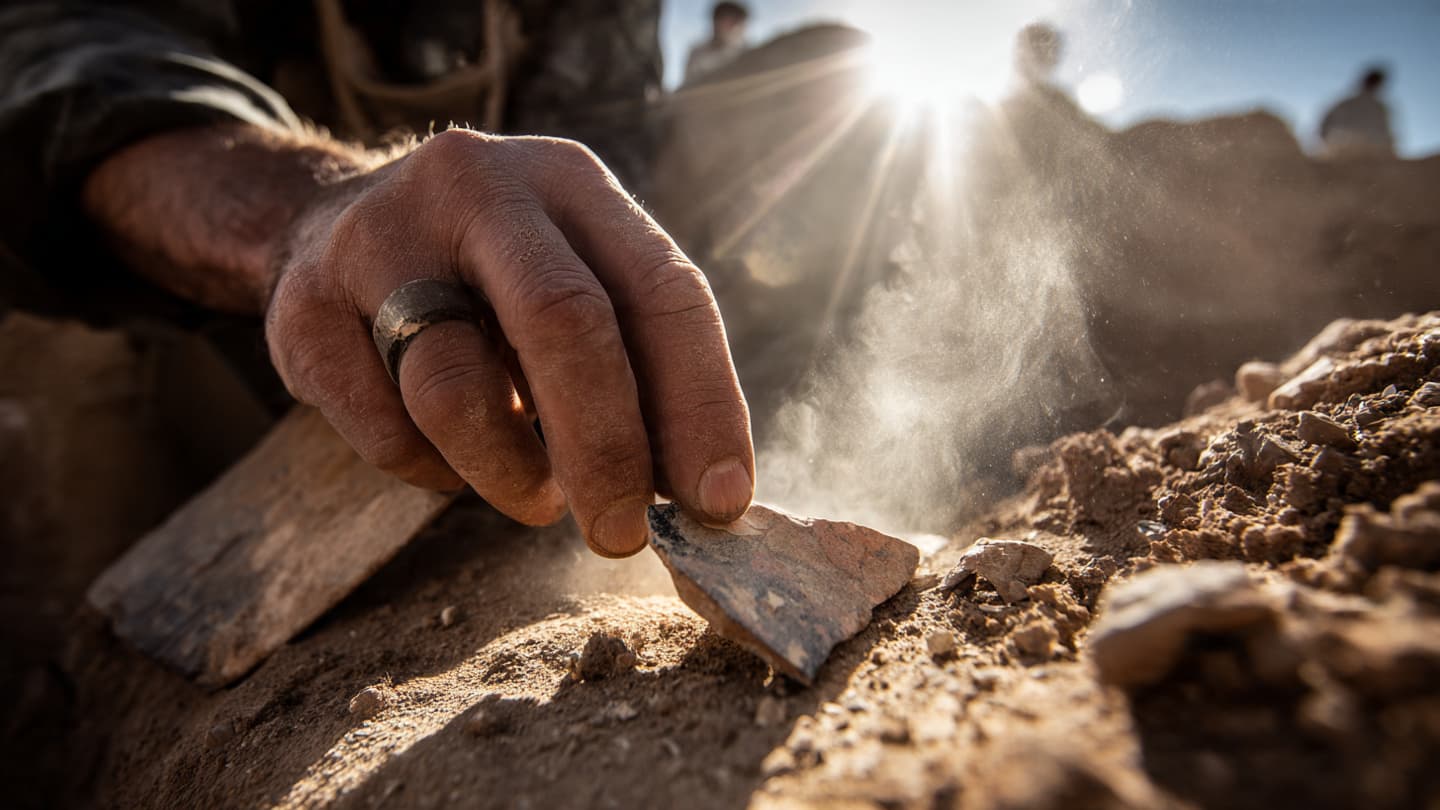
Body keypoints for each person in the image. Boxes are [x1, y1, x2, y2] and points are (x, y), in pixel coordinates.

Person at [0, 2, 756, 559]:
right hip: (221, 329)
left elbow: (607, 144)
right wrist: (303, 218)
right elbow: (58, 47)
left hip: (492, 363)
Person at [1318, 67, 1396, 158]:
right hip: (1343, 155)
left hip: (1368, 157)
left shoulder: (1381, 108)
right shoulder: (1346, 104)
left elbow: (1387, 137)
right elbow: (1324, 127)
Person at [683, 1, 750, 85]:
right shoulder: (697, 52)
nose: (731, 25)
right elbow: (688, 86)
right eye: (724, 17)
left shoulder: (748, 52)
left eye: (736, 19)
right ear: (714, 20)